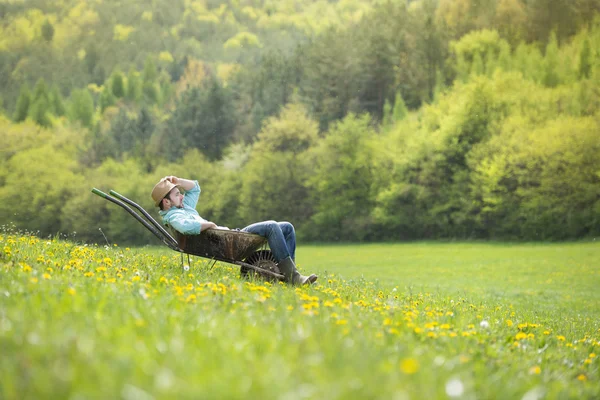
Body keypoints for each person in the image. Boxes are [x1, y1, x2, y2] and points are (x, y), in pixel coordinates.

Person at [151, 176, 317, 285]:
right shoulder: (174, 216)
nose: (182, 196)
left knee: (287, 227)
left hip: (230, 237)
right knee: (272, 226)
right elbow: (185, 227)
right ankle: (293, 278)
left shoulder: (184, 208)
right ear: (166, 203)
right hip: (226, 242)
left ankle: (291, 275)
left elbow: (195, 189)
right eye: (177, 194)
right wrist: (208, 225)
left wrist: (177, 180)